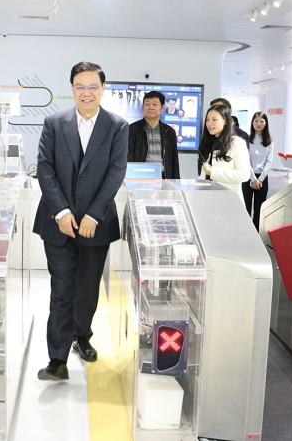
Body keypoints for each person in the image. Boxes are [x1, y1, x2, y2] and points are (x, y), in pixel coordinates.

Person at [33, 62, 128, 380]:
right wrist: (61, 211)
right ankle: (57, 359)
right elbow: (45, 168)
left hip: (96, 223)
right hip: (57, 222)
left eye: (93, 86)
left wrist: (93, 215)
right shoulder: (54, 122)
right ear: (72, 89)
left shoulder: (117, 126)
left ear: (103, 89)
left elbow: (116, 172)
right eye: (80, 86)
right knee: (61, 289)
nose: (86, 93)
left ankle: (81, 337)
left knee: (88, 288)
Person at [198, 104, 251, 198]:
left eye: (214, 119)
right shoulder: (208, 144)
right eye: (207, 120)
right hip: (207, 199)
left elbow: (244, 175)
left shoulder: (237, 143)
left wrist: (213, 172)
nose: (209, 123)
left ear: (225, 120)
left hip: (228, 200)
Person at [127, 90, 180, 179]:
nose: (151, 107)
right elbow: (129, 157)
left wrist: (176, 182)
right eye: (147, 104)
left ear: (162, 107)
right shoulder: (132, 129)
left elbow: (174, 160)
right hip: (140, 177)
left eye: (155, 104)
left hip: (163, 177)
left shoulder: (169, 131)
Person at [244, 112, 273, 229]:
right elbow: (245, 161)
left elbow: (269, 162)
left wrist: (260, 179)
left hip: (262, 178)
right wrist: (253, 179)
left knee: (259, 210)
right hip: (247, 177)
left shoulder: (269, 141)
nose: (259, 123)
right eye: (256, 121)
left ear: (266, 123)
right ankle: (246, 231)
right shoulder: (247, 140)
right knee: (246, 207)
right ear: (252, 123)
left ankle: (256, 233)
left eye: (262, 121)